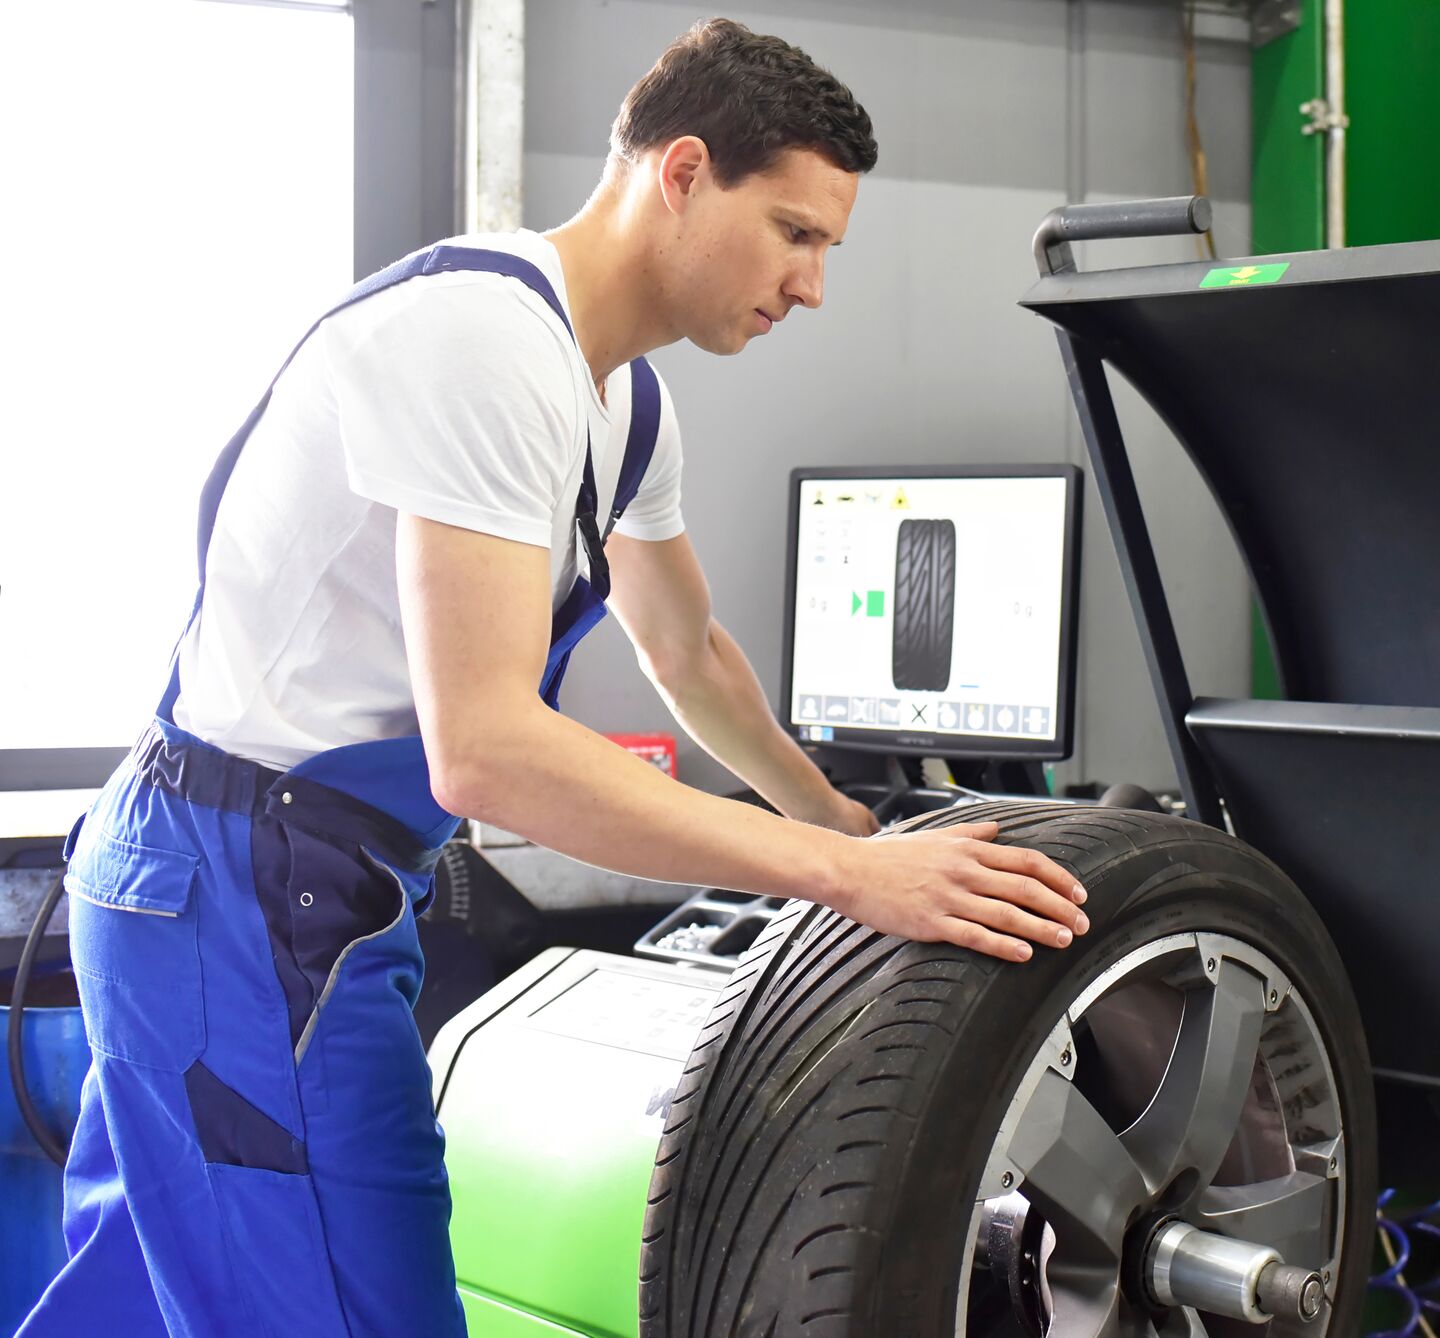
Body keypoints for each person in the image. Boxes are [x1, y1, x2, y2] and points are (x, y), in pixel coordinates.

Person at [18, 18, 1087, 1338]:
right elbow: (486, 752)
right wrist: (846, 879)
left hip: (287, 883)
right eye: (795, 233)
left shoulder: (623, 405)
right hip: (237, 888)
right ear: (683, 172)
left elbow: (686, 651)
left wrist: (846, 824)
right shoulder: (482, 343)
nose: (812, 286)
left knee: (133, 1306)